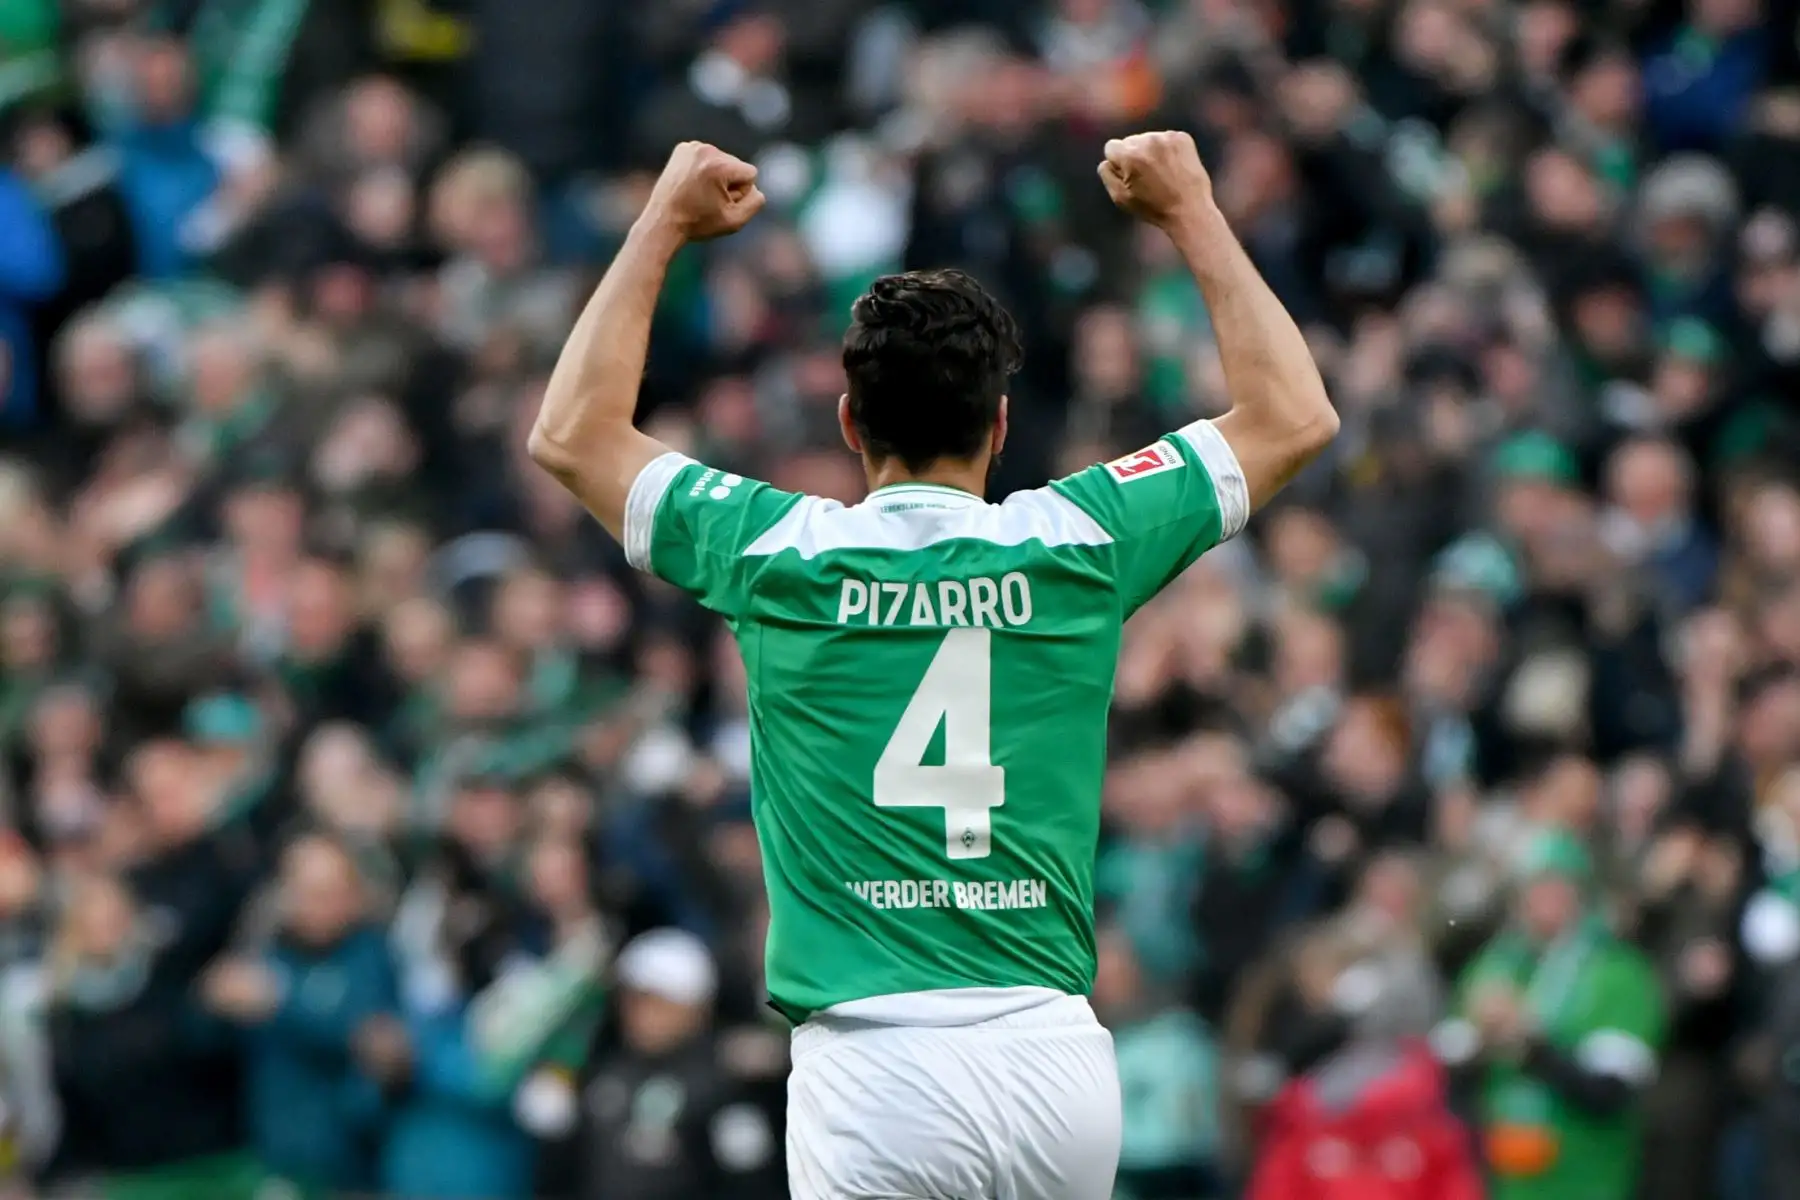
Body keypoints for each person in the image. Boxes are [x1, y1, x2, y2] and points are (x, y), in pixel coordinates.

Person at [527, 132, 1338, 1199]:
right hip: (1053, 1059)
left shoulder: (778, 554)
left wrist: (662, 222)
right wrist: (1191, 209)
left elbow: (572, 435)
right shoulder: (1080, 541)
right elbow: (1294, 416)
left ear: (848, 421)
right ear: (1001, 425)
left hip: (877, 1067)